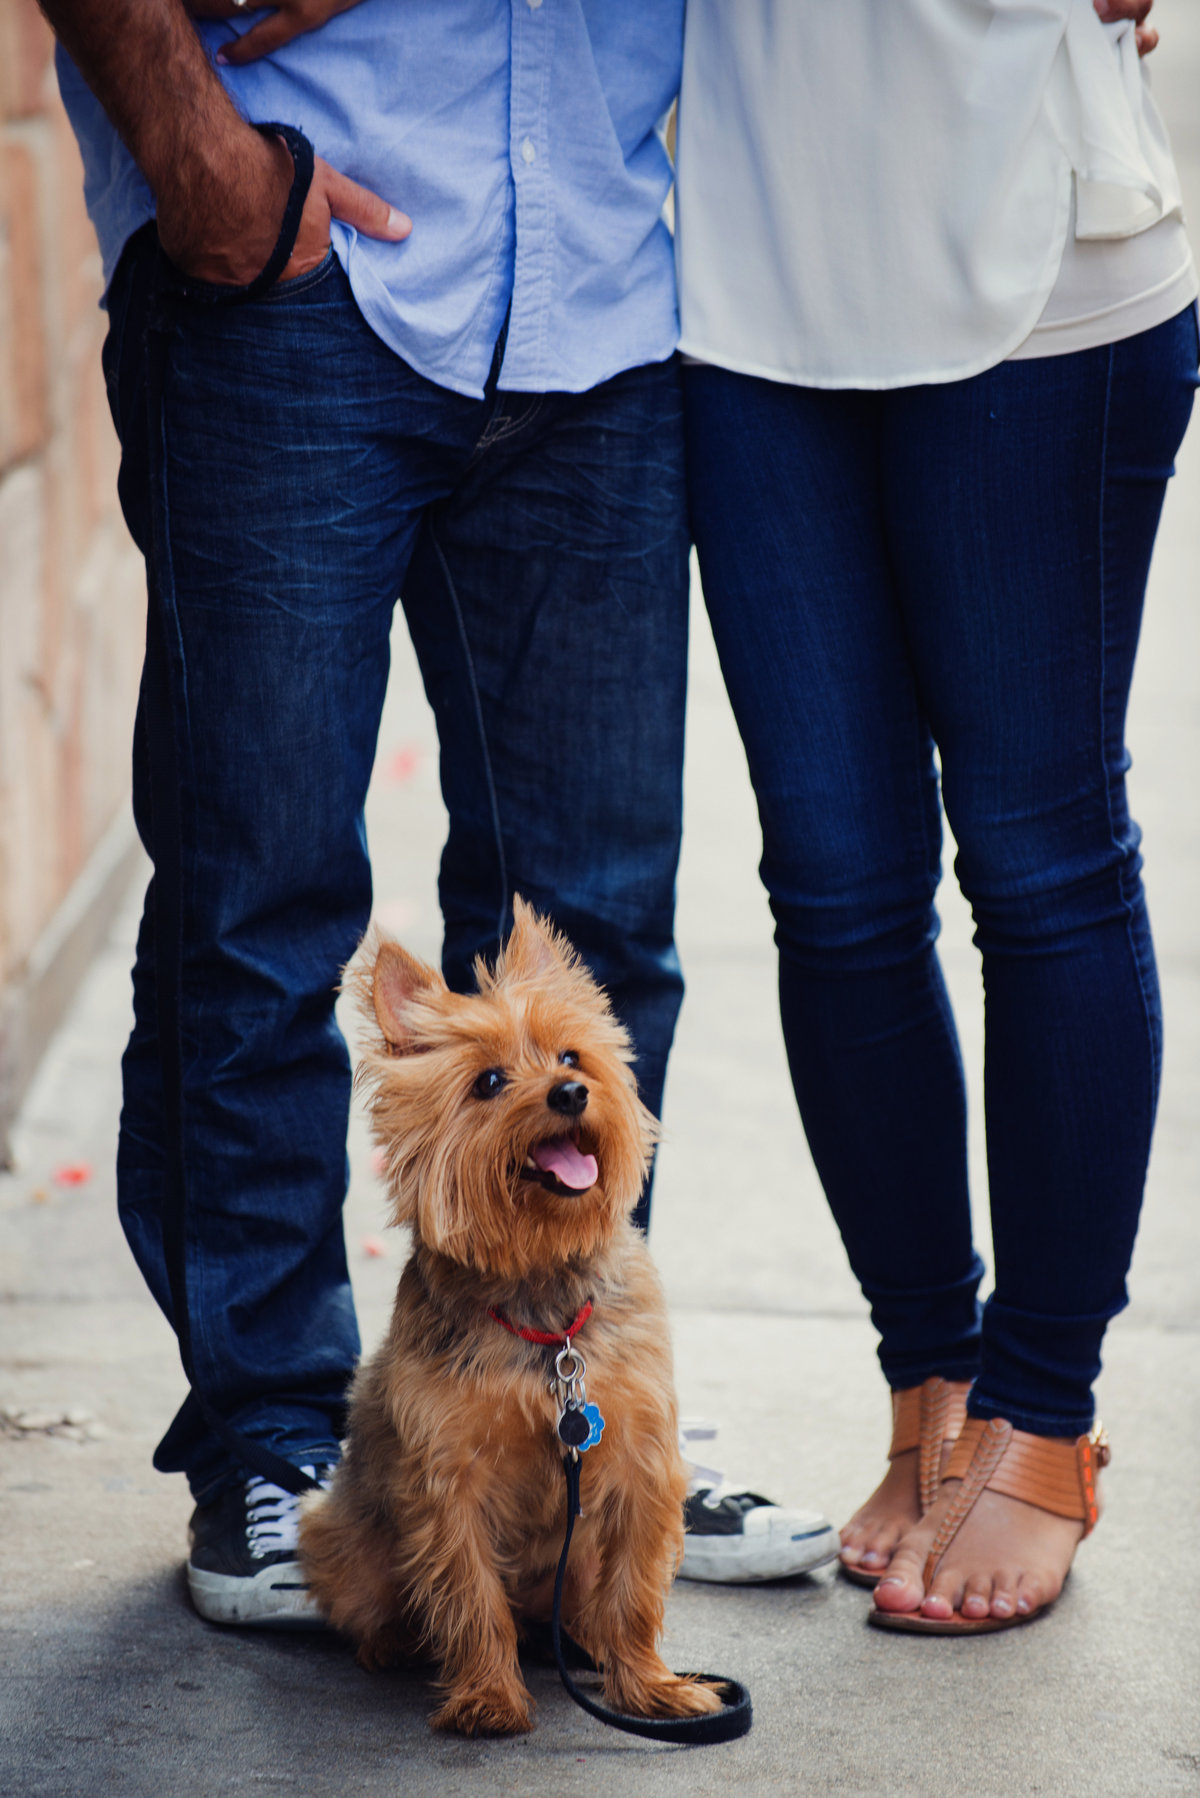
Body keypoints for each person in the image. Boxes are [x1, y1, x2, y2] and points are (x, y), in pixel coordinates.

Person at [42, 0, 837, 1626]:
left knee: (599, 920)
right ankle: (275, 1441)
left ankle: (581, 1424)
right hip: (287, 263)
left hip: (599, 287)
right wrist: (198, 163)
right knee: (256, 909)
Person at [676, 0, 1196, 1632]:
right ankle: (935, 1382)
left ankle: (1045, 1412)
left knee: (1040, 858)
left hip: (1038, 256)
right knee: (834, 884)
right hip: (752, 267)